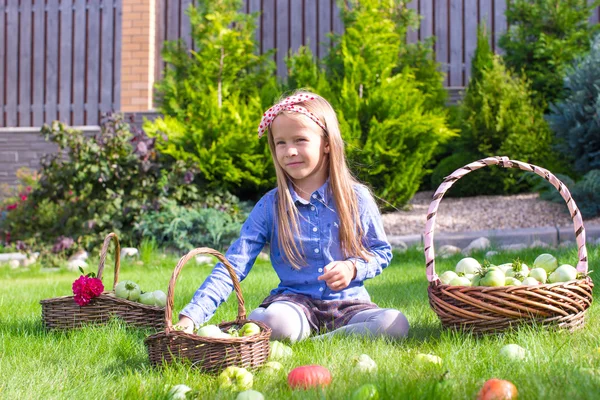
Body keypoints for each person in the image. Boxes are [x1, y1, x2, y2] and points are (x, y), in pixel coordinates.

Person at [175, 91, 409, 342]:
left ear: (327, 143)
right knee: (274, 322)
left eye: (300, 140)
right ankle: (294, 331)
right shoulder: (270, 206)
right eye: (281, 143)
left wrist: (353, 268)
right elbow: (233, 265)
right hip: (294, 306)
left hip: (349, 305)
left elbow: (381, 251)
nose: (289, 151)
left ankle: (320, 341)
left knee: (395, 324)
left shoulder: (356, 198)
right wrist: (191, 317)